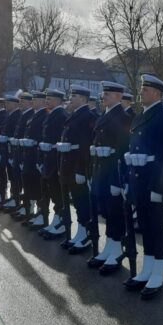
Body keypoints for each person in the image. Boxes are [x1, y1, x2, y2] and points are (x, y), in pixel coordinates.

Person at [123, 74, 163, 298]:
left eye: (145, 90)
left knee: (157, 228)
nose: (141, 92)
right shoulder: (138, 118)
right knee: (144, 227)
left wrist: (159, 188)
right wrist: (128, 181)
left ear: (156, 93)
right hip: (138, 180)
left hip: (153, 184)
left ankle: (157, 273)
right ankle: (147, 269)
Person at [86, 81, 131, 275]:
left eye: (109, 94)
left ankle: (115, 251)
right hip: (100, 171)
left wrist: (118, 181)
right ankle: (109, 249)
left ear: (119, 97)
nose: (104, 96)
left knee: (114, 214)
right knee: (105, 211)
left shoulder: (122, 117)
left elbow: (123, 150)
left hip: (113, 173)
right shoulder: (104, 115)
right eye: (104, 93)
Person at [52, 85, 96, 253]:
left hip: (77, 167)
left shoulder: (87, 116)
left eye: (75, 95)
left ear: (83, 99)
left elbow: (86, 146)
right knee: (77, 203)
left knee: (82, 202)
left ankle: (85, 235)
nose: (71, 98)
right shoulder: (75, 115)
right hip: (68, 165)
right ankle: (80, 233)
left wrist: (80, 170)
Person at [35, 89, 68, 232]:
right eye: (46, 99)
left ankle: (60, 221)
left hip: (55, 159)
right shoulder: (52, 114)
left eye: (50, 99)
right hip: (48, 158)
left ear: (59, 101)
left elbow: (62, 138)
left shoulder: (61, 115)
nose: (47, 101)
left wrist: (52, 146)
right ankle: (55, 219)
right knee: (49, 189)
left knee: (56, 191)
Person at [17, 91, 47, 223]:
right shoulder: (33, 116)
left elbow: (44, 135)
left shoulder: (45, 115)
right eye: (33, 99)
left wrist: (35, 142)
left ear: (42, 101)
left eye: (35, 99)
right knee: (28, 183)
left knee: (38, 185)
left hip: (37, 155)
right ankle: (30, 208)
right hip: (28, 154)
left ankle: (41, 213)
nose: (33, 101)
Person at [4, 93, 34, 214]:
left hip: (24, 152)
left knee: (24, 181)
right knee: (16, 178)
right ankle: (19, 201)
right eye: (20, 101)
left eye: (23, 102)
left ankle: (26, 205)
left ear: (30, 103)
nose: (20, 103)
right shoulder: (23, 115)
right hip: (17, 151)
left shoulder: (30, 115)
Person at [0, 95, 21, 207]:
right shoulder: (10, 115)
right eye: (6, 103)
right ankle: (12, 196)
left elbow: (15, 132)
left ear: (15, 104)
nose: (6, 105)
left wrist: (8, 138)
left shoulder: (17, 115)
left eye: (9, 103)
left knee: (15, 176)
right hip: (7, 149)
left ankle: (15, 197)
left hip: (13, 149)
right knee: (11, 174)